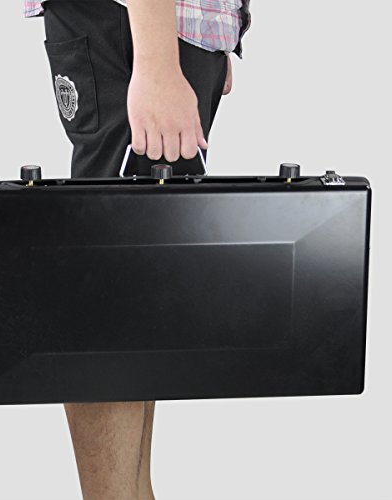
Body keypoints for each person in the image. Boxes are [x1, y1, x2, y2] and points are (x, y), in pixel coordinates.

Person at [24, 1, 251, 498]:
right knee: (110, 297)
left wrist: (208, 37)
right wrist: (157, 60)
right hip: (132, 27)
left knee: (134, 299)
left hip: (158, 29)